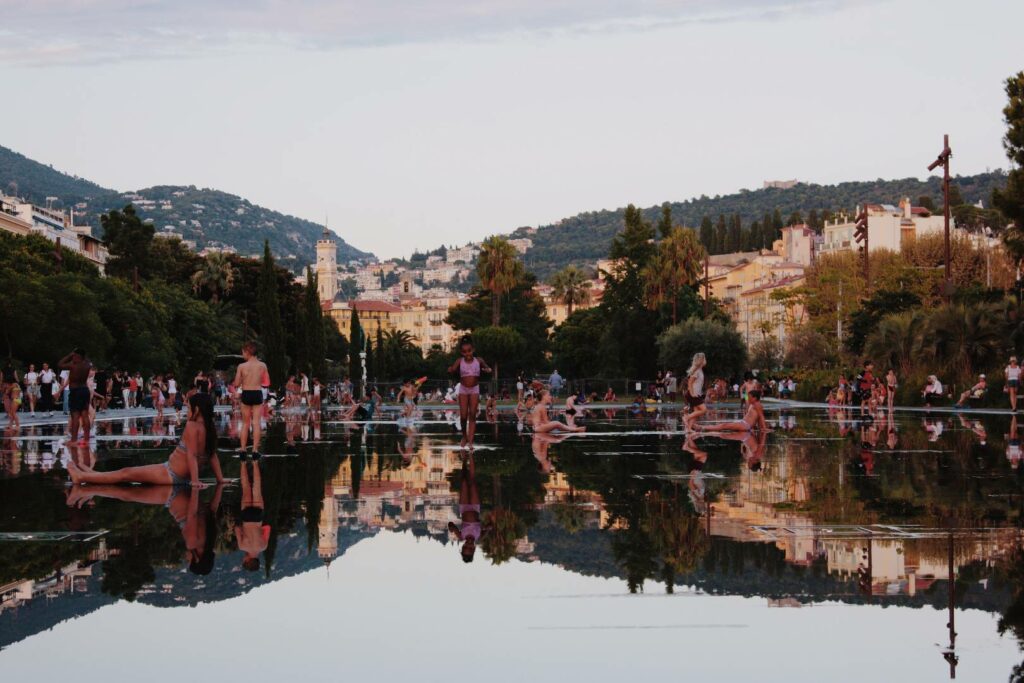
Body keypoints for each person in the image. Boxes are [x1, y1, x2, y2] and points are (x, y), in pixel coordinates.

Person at [67, 393, 225, 487]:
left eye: (189, 408)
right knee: (126, 473)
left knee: (126, 473)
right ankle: (92, 475)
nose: (187, 412)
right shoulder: (209, 428)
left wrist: (195, 481)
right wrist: (220, 479)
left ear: (197, 410)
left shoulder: (192, 426)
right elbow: (212, 455)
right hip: (176, 473)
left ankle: (82, 477)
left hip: (170, 473)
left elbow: (191, 455)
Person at [448, 336, 491, 448]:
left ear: (473, 350)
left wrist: (487, 369)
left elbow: (487, 368)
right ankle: (464, 436)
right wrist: (451, 369)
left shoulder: (479, 360)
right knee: (463, 416)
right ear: (462, 352)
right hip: (463, 389)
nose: (467, 353)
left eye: (469, 351)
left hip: (474, 389)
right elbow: (452, 369)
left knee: (472, 414)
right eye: (465, 352)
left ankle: (471, 442)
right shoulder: (459, 361)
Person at [447, 453, 489, 562]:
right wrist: (489, 527)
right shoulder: (479, 537)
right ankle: (471, 455)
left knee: (465, 482)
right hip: (475, 508)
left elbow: (451, 524)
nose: (468, 546)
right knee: (472, 482)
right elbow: (489, 528)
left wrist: (451, 528)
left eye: (465, 547)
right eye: (470, 548)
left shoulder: (461, 537)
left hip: (464, 507)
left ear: (463, 546)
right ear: (474, 549)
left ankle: (464, 461)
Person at [234, 342, 268, 458]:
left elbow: (237, 383)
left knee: (245, 423)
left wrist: (244, 380)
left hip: (246, 392)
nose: (242, 354)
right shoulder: (263, 365)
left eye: (243, 352)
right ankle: (254, 450)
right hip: (257, 392)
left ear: (247, 352)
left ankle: (243, 450)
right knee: (256, 423)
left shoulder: (241, 366)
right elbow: (267, 382)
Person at [236, 459, 270, 571]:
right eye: (244, 561)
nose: (243, 559)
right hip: (246, 517)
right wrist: (242, 529)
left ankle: (255, 461)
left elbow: (267, 527)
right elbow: (237, 528)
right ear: (248, 561)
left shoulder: (263, 546)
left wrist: (259, 529)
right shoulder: (242, 546)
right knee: (246, 487)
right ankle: (243, 461)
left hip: (257, 517)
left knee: (257, 487)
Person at [59, 349, 93, 444]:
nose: (73, 358)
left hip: (75, 391)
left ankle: (74, 440)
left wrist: (69, 355)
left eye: (75, 356)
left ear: (78, 356)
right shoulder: (87, 365)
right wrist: (81, 355)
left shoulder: (73, 365)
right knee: (85, 414)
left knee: (75, 415)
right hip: (84, 390)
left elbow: (60, 364)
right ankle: (86, 439)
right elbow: (88, 360)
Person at [697, 390, 769, 432]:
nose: (748, 399)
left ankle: (702, 427)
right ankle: (703, 427)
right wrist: (759, 428)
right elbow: (756, 417)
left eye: (750, 398)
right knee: (724, 426)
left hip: (745, 425)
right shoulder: (753, 404)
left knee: (724, 426)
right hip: (743, 423)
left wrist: (764, 428)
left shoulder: (757, 404)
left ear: (755, 398)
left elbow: (761, 416)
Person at [683, 352, 707, 431]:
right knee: (703, 410)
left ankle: (689, 429)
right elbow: (690, 382)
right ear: (701, 360)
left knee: (696, 412)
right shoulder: (697, 370)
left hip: (696, 394)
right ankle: (686, 417)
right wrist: (692, 394)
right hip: (693, 394)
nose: (705, 360)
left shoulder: (699, 370)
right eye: (704, 359)